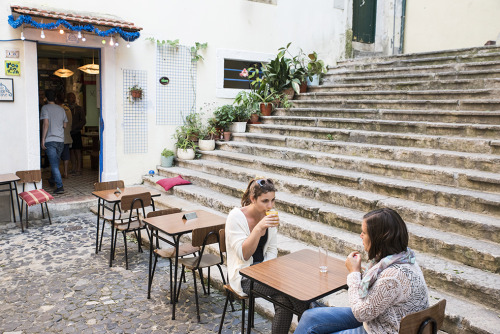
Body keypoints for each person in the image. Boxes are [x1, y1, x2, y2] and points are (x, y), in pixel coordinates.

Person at [295, 208, 429, 334]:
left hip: (380, 329)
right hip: (377, 318)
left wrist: (354, 273)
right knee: (310, 317)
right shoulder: (404, 258)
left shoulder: (392, 276)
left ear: (379, 238)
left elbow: (360, 313)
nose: (360, 236)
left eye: (364, 233)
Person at [225, 178, 310, 334]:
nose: (270, 206)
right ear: (252, 199)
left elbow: (271, 250)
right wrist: (259, 228)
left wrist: (267, 272)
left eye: (273, 200)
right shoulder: (236, 217)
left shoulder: (269, 214)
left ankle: (312, 315)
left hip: (267, 275)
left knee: (284, 299)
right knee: (290, 288)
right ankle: (312, 314)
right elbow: (244, 255)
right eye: (265, 201)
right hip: (243, 277)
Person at [40, 89, 68, 194]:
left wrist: (43, 139)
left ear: (46, 98)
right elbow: (65, 125)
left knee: (54, 165)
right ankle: (52, 179)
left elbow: (45, 124)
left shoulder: (45, 108)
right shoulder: (61, 109)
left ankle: (60, 187)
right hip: (60, 140)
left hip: (50, 140)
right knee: (55, 162)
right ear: (55, 98)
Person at [67, 92, 86, 175]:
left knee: (77, 150)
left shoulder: (79, 108)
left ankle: (79, 168)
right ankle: (73, 168)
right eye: (69, 97)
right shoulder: (66, 109)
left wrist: (76, 127)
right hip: (69, 133)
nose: (71, 99)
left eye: (72, 97)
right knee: (71, 151)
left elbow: (83, 121)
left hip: (76, 132)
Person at [56, 92, 72, 179]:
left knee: (57, 155)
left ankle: (57, 172)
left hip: (58, 136)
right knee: (66, 155)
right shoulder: (68, 109)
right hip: (66, 135)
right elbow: (70, 123)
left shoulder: (56, 109)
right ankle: (66, 172)